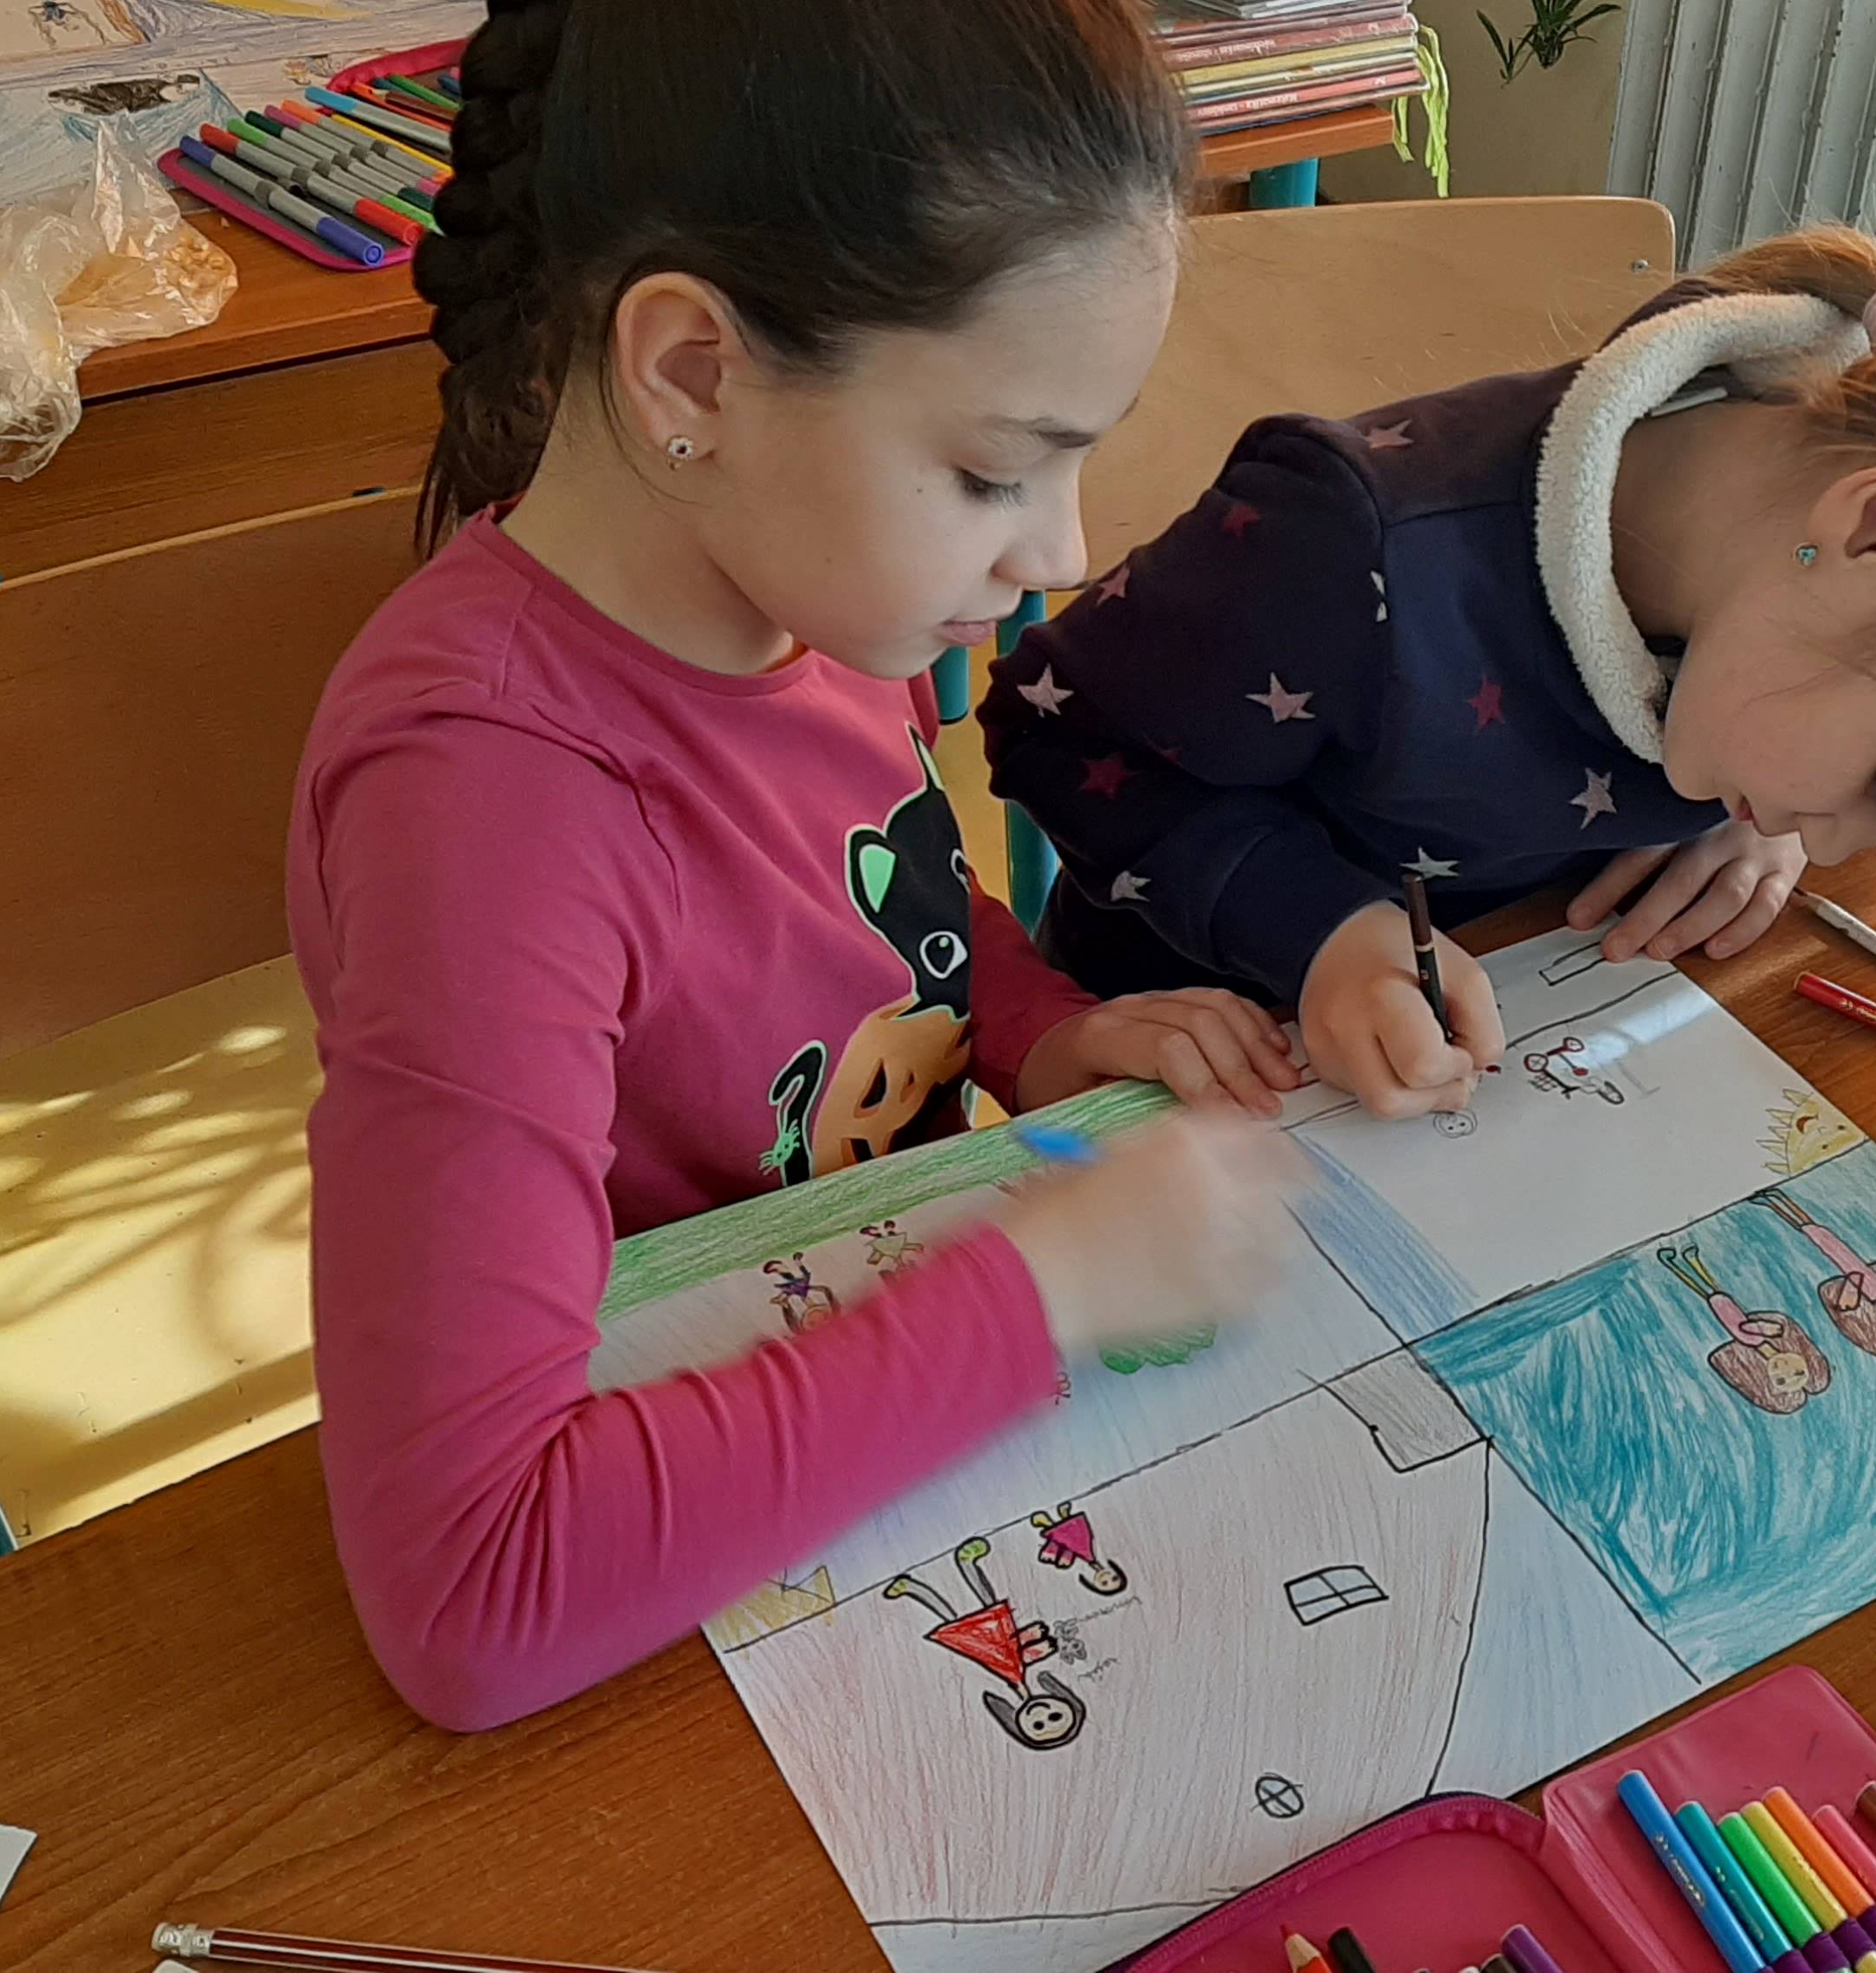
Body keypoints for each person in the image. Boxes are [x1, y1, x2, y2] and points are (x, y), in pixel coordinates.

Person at [286, 0, 1302, 1732]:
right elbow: (470, 1592)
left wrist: (1037, 1028)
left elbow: (866, 897)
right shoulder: (485, 809)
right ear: (694, 373)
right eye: (994, 470)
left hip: (877, 1398)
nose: (1060, 552)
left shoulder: (804, 587)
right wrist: (1044, 1292)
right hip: (668, 1599)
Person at [987, 224, 1876, 1117]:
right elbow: (1052, 732)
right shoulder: (1345, 550)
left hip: (1496, 1041)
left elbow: (1828, 719)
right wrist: (1323, 936)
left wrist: (1766, 826)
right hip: (1192, 1047)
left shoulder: (1788, 605)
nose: (1837, 843)